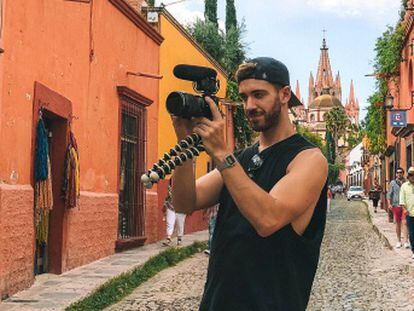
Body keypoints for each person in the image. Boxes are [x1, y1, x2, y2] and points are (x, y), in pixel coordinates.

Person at [171, 57, 328, 310]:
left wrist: (221, 153)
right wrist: (184, 144)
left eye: (258, 95)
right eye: (244, 97)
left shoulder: (308, 159)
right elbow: (184, 202)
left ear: (285, 94)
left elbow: (268, 220)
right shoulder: (241, 159)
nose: (249, 105)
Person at [387, 167, 409, 249]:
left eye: (400, 172)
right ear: (396, 174)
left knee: (405, 222)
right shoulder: (393, 183)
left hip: (405, 205)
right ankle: (399, 241)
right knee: (398, 223)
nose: (399, 174)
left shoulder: (407, 182)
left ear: (403, 173)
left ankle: (406, 241)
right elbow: (389, 194)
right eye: (397, 172)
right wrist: (389, 204)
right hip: (396, 205)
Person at [162, 179, 186, 246]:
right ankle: (168, 238)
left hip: (181, 209)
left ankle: (179, 239)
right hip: (171, 207)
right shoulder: (170, 188)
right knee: (169, 223)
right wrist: (164, 205)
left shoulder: (185, 189)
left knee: (180, 224)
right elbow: (167, 198)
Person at [399, 166, 414, 258]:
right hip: (410, 213)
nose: (413, 176)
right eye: (411, 174)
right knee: (412, 234)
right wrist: (405, 210)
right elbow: (402, 200)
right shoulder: (404, 186)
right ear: (408, 176)